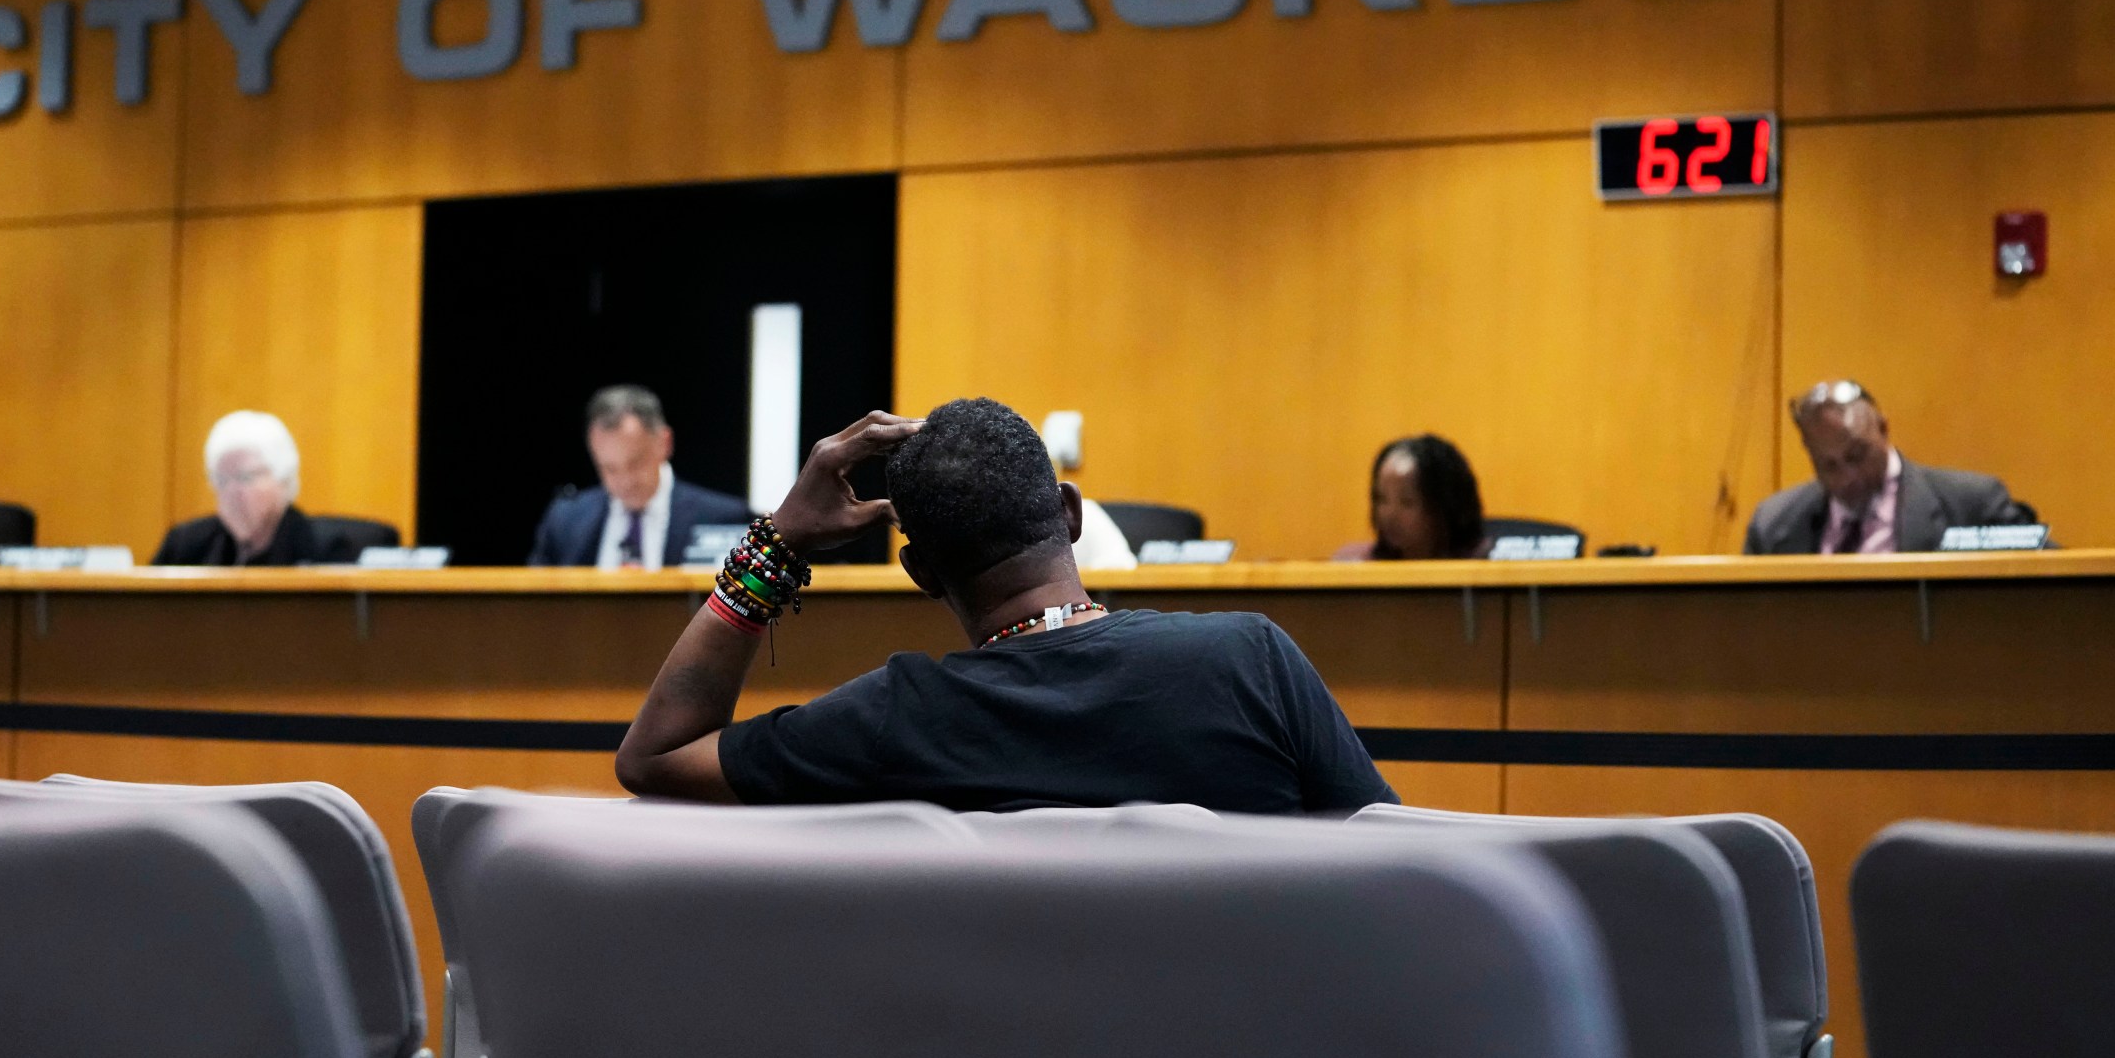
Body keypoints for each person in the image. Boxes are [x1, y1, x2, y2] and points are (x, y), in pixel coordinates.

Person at [615, 397, 1398, 815]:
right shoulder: (1249, 660)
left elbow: (652, 758)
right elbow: (1392, 858)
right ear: (1070, 514)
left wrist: (777, 545)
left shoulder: (896, 718)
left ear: (921, 573)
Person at [1745, 381, 2035, 555]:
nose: (1848, 476)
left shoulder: (1970, 504)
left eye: (1857, 456)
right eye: (1828, 465)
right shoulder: (1773, 525)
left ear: (1883, 430)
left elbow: (2050, 589)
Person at [527, 385, 754, 568]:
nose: (625, 481)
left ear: (664, 443)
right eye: (609, 468)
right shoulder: (565, 521)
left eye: (635, 463)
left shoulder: (725, 519)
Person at [153, 411, 354, 566]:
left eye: (244, 477)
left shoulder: (326, 550)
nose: (231, 492)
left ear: (283, 480)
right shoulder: (186, 546)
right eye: (221, 480)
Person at [1335, 434, 1490, 561]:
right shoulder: (1355, 563)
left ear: (1445, 504)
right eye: (1381, 499)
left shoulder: (1485, 564)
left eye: (1406, 502)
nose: (1390, 515)